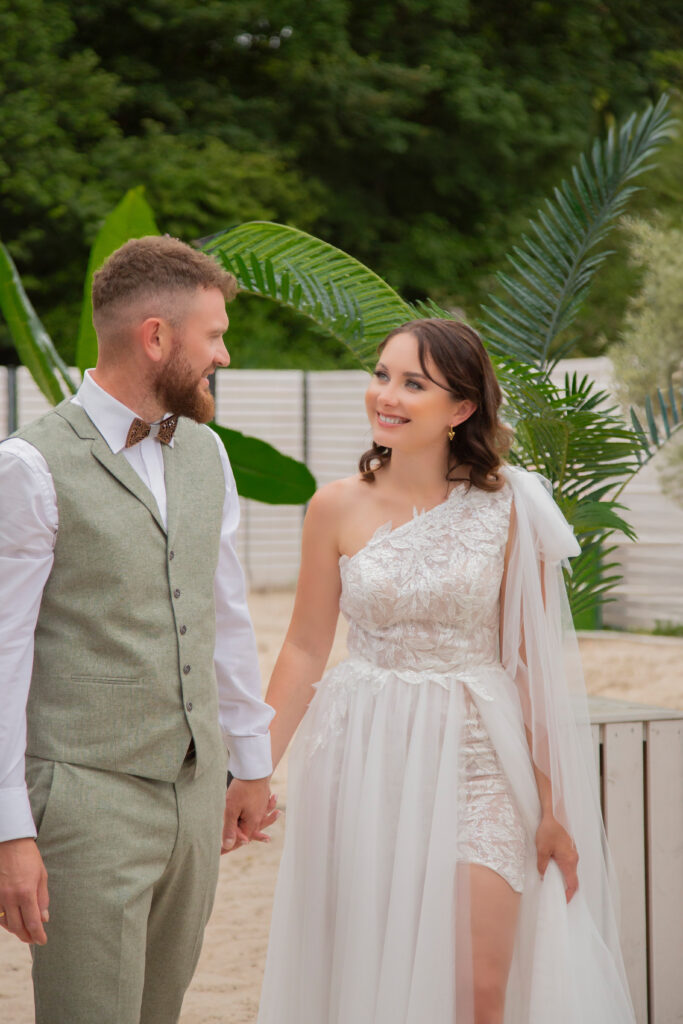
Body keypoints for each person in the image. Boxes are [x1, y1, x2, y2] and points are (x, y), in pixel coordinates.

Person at [258, 319, 636, 1024]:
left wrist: (554, 809)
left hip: (478, 760)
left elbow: (529, 664)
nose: (386, 396)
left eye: (412, 383)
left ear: (461, 409)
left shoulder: (510, 506)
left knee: (478, 989)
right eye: (381, 375)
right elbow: (305, 648)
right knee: (370, 969)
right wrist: (252, 769)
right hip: (365, 757)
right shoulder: (335, 504)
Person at [0, 236, 276, 1024]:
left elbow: (224, 614)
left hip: (194, 794)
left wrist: (249, 764)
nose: (223, 354)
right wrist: (9, 832)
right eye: (214, 335)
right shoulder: (28, 465)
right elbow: (4, 654)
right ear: (156, 337)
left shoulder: (208, 454)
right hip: (84, 799)